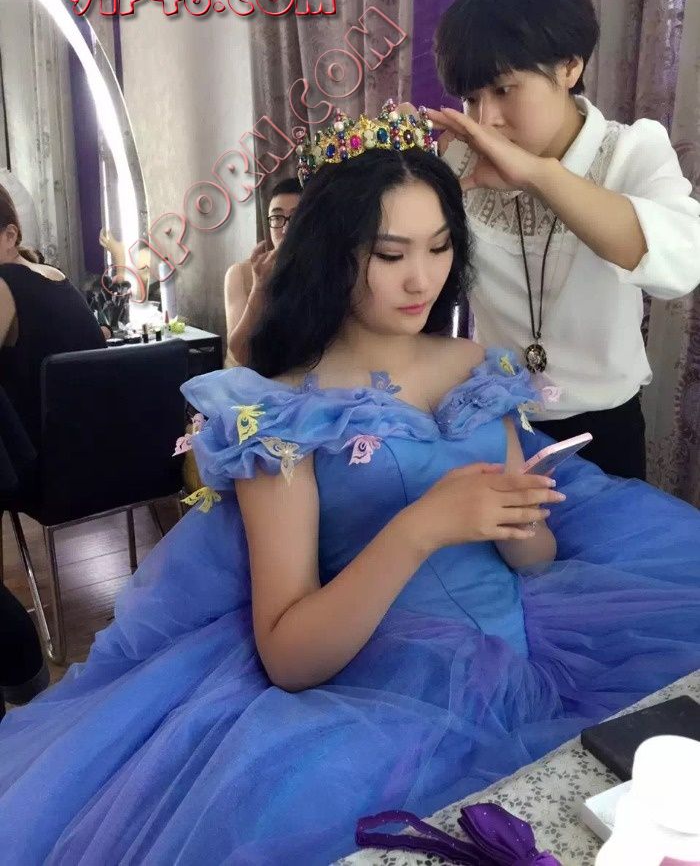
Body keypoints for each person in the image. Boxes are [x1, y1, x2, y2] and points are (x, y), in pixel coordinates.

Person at [0, 108, 698, 866]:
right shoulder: (280, 412)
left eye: (440, 247)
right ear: (332, 254)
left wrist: (518, 517)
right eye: (391, 254)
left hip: (537, 648)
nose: (422, 278)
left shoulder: (473, 365)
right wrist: (421, 528)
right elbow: (290, 657)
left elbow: (535, 558)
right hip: (378, 697)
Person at [423, 0, 700, 480]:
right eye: (471, 98)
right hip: (497, 422)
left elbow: (681, 265)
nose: (486, 119)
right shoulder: (460, 159)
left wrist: (538, 175)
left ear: (571, 66)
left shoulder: (630, 152)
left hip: (605, 429)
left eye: (504, 89)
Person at [0, 184, 106, 450]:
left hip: (39, 456)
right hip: (93, 446)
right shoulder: (52, 274)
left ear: (10, 236)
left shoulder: (5, 282)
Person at [224, 176, 302, 367]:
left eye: (296, 218)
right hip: (248, 377)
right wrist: (259, 287)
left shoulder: (323, 272)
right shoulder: (241, 274)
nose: (285, 229)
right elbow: (240, 354)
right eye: (277, 218)